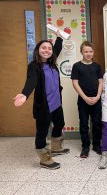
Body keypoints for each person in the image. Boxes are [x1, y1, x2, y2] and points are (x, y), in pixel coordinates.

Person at [13, 33, 70, 170]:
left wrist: (59, 37)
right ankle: (44, 158)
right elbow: (31, 80)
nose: (47, 50)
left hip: (56, 103)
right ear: (38, 50)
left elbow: (57, 48)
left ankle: (56, 147)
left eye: (49, 48)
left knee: (60, 123)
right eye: (43, 48)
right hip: (44, 106)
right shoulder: (34, 66)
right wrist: (25, 94)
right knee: (42, 132)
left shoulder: (51, 62)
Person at [71, 41, 103, 158]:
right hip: (83, 101)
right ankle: (85, 147)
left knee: (97, 124)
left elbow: (101, 82)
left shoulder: (97, 66)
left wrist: (98, 96)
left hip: (96, 100)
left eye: (90, 51)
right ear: (81, 52)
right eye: (86, 51)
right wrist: (84, 97)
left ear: (93, 52)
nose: (88, 54)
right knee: (84, 124)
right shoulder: (77, 66)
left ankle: (96, 145)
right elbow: (75, 83)